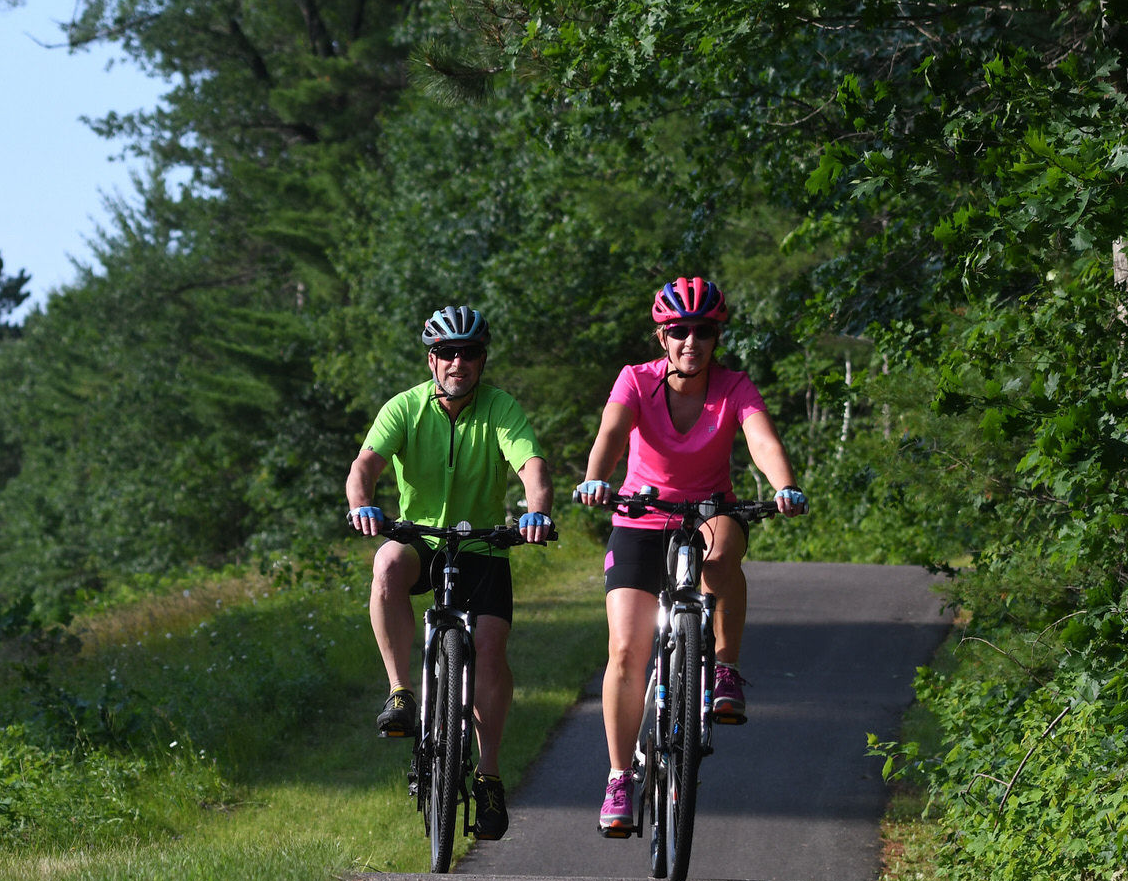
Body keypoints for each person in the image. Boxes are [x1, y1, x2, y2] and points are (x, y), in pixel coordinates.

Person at [573, 278, 806, 835]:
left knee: (724, 551)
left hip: (708, 512)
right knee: (627, 651)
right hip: (639, 518)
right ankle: (620, 777)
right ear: (662, 336)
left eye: (704, 331)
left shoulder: (734, 387)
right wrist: (594, 480)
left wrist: (785, 485)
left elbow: (762, 440)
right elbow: (610, 433)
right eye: (679, 331)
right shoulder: (636, 381)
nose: (691, 342)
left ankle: (723, 669)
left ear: (716, 337)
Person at [345, 305, 554, 841]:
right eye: (447, 353)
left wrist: (536, 510)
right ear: (431, 359)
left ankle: (488, 776)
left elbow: (530, 465)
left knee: (488, 650)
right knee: (387, 563)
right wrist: (363, 503)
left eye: (470, 352)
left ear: (483, 359)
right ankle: (399, 693)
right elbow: (364, 466)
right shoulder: (405, 408)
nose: (458, 362)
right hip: (420, 537)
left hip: (483, 543)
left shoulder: (500, 408)